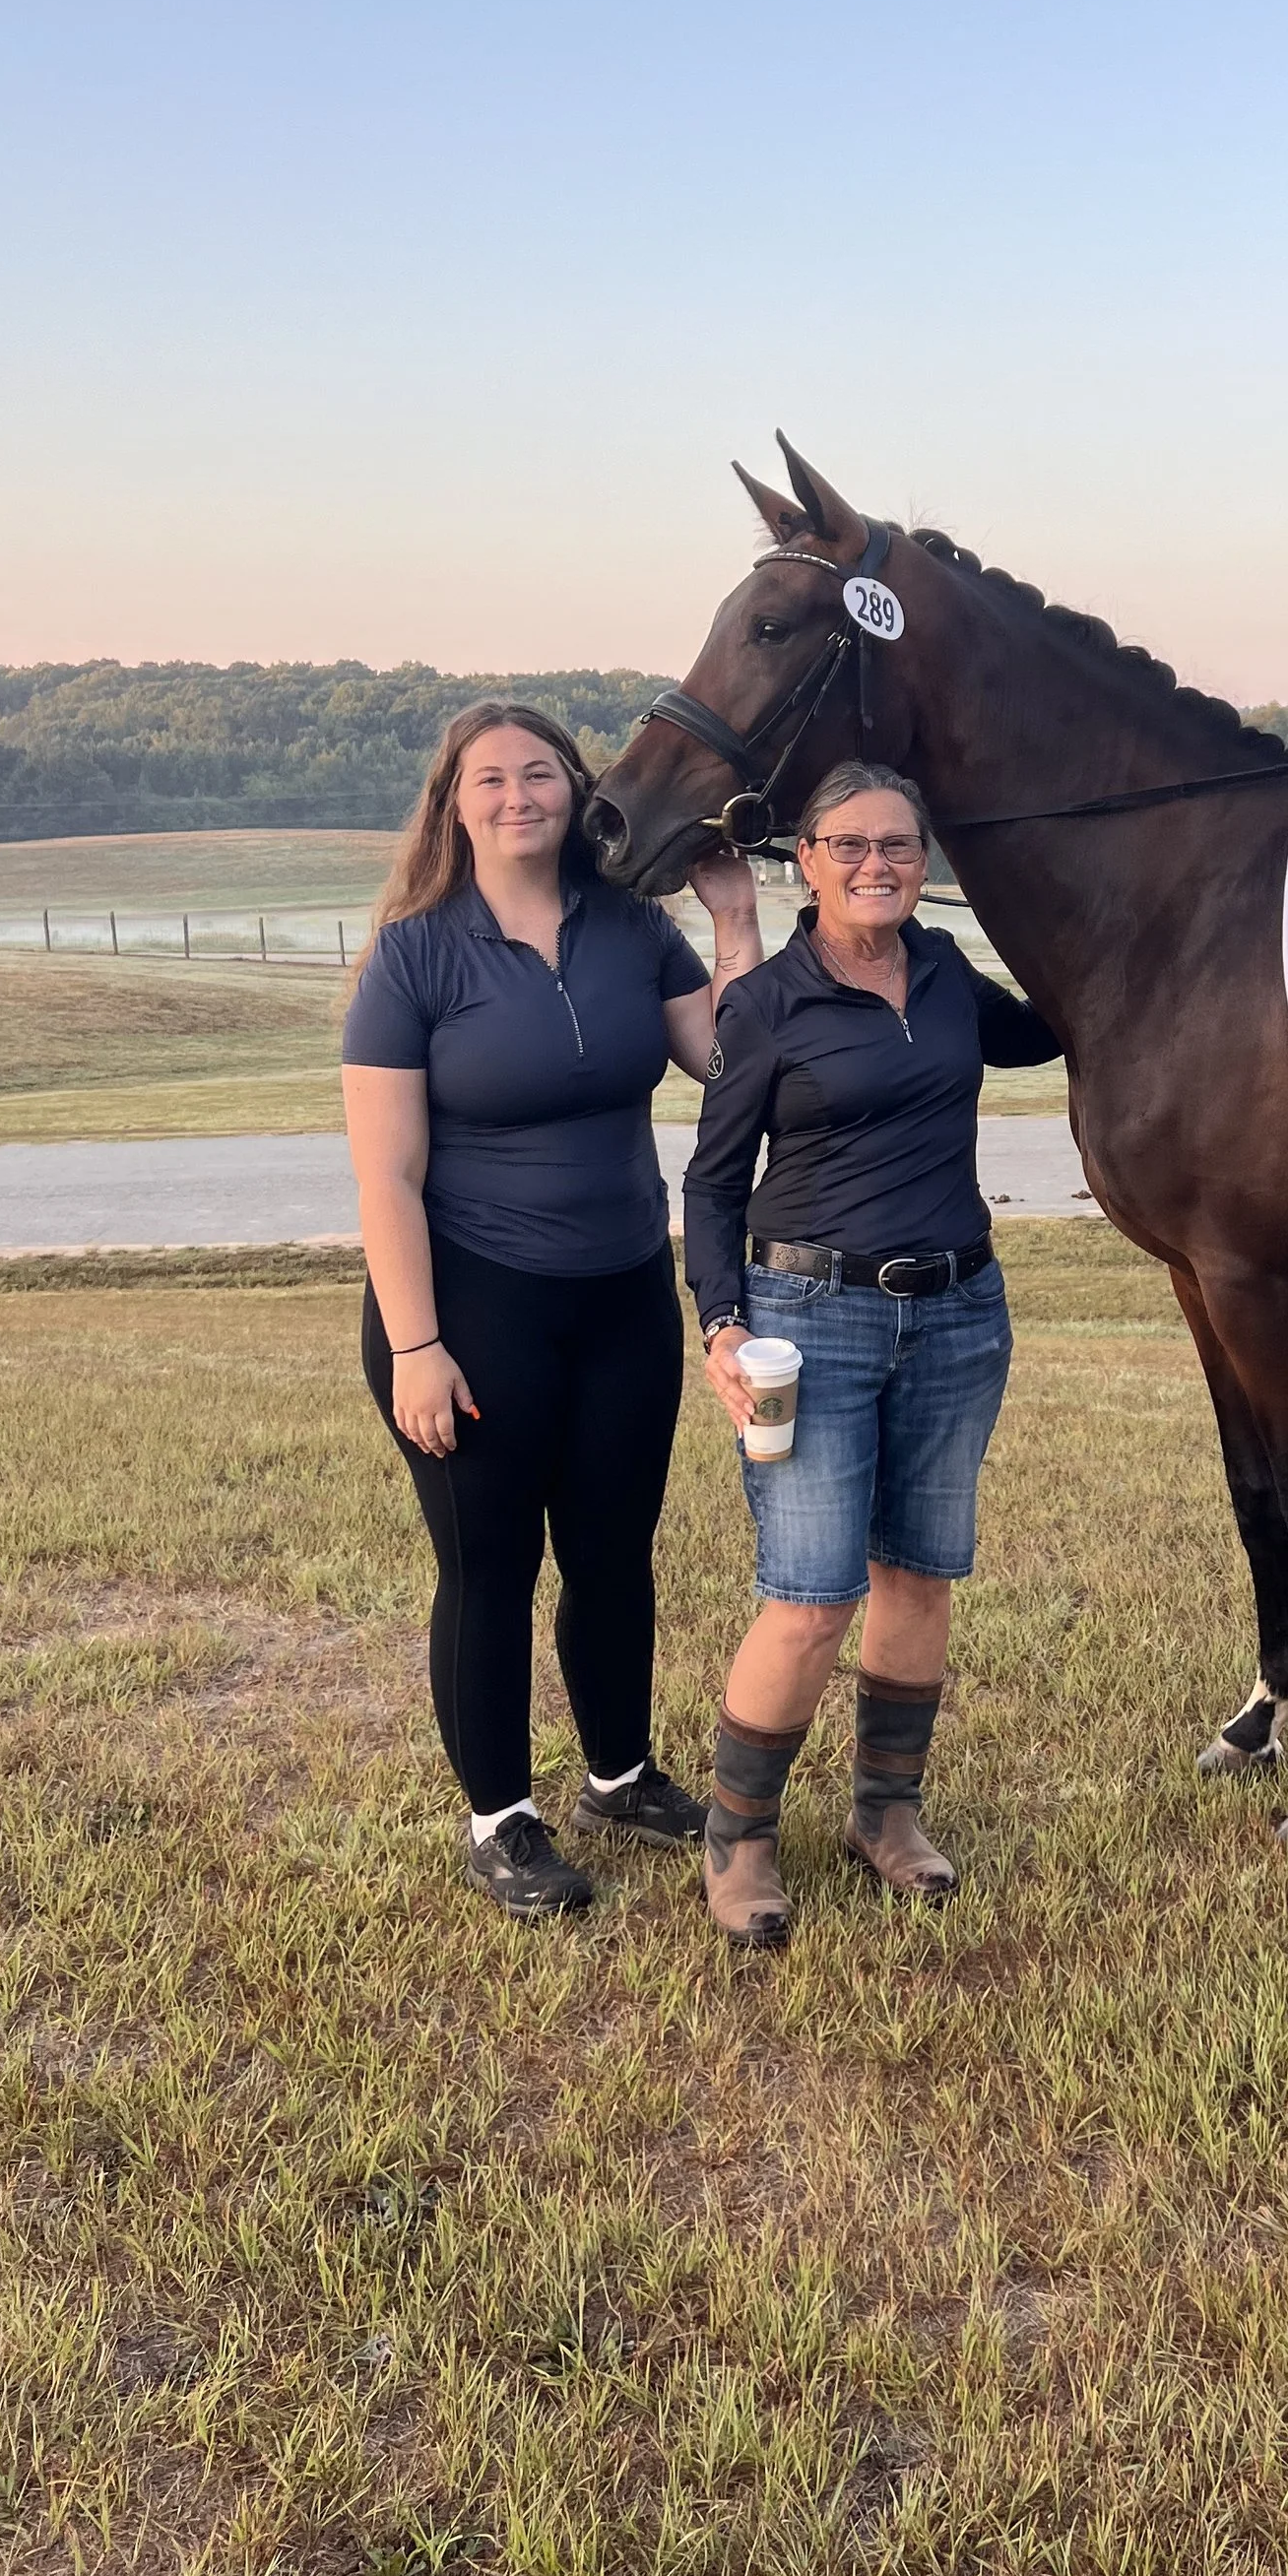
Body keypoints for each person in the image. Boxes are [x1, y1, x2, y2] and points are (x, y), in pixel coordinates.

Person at [342, 699, 762, 1918]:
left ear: (578, 796)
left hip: (624, 1289)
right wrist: (416, 1346)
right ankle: (500, 1820)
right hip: (472, 1304)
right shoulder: (416, 953)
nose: (519, 794)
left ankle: (618, 1776)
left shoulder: (633, 930)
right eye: (490, 778)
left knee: (612, 1555)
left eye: (541, 774)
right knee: (490, 1570)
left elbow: (727, 1060)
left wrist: (734, 919)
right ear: (452, 805)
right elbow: (388, 1175)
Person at [679, 760, 1060, 1951]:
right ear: (807, 859)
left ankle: (885, 1814)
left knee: (920, 1574)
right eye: (848, 846)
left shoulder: (946, 972)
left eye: (898, 846)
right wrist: (721, 1322)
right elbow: (709, 1181)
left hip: (957, 1313)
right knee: (808, 1596)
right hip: (809, 1321)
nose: (876, 865)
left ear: (925, 861)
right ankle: (738, 1837)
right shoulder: (767, 1003)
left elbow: (1051, 1024)